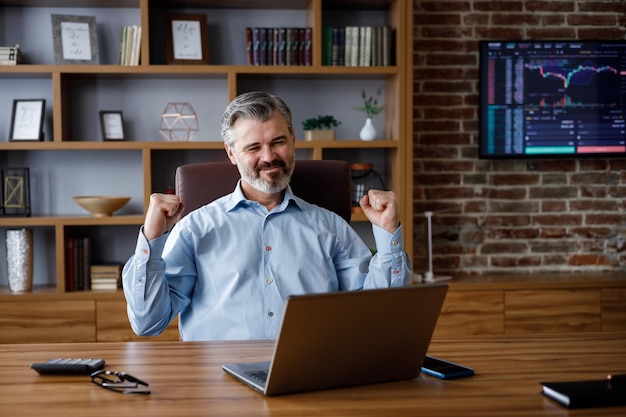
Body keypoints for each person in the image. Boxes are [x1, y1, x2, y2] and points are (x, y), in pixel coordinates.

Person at [122, 91, 412, 341]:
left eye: (278, 142)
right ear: (231, 153)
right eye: (253, 147)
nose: (269, 156)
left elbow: (380, 314)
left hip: (309, 374)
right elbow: (148, 323)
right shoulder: (194, 229)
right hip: (217, 381)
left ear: (294, 139)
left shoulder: (331, 227)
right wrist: (152, 239)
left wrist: (388, 236)